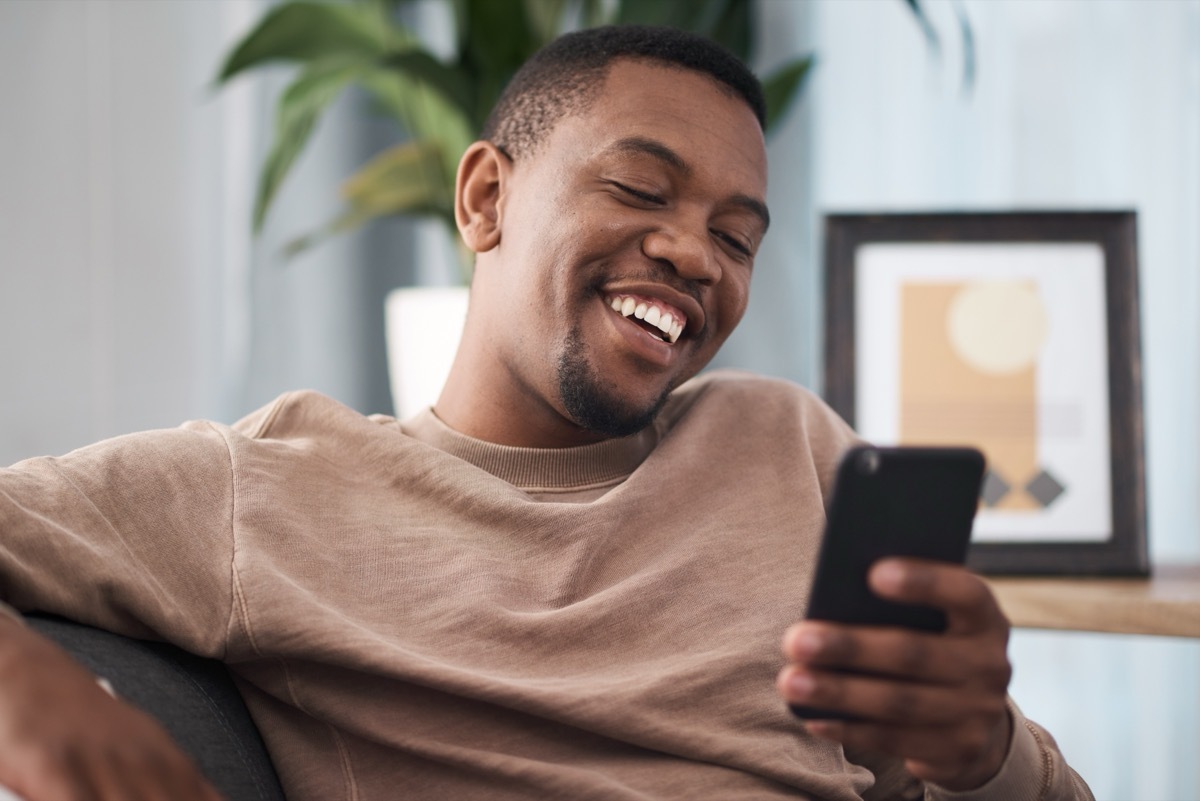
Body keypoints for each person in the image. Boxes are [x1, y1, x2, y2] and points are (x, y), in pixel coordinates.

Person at [0, 25, 1092, 801]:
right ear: (486, 198)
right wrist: (33, 696)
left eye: (737, 235)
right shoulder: (270, 490)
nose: (691, 253)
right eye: (639, 189)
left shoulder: (788, 445)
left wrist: (985, 749)